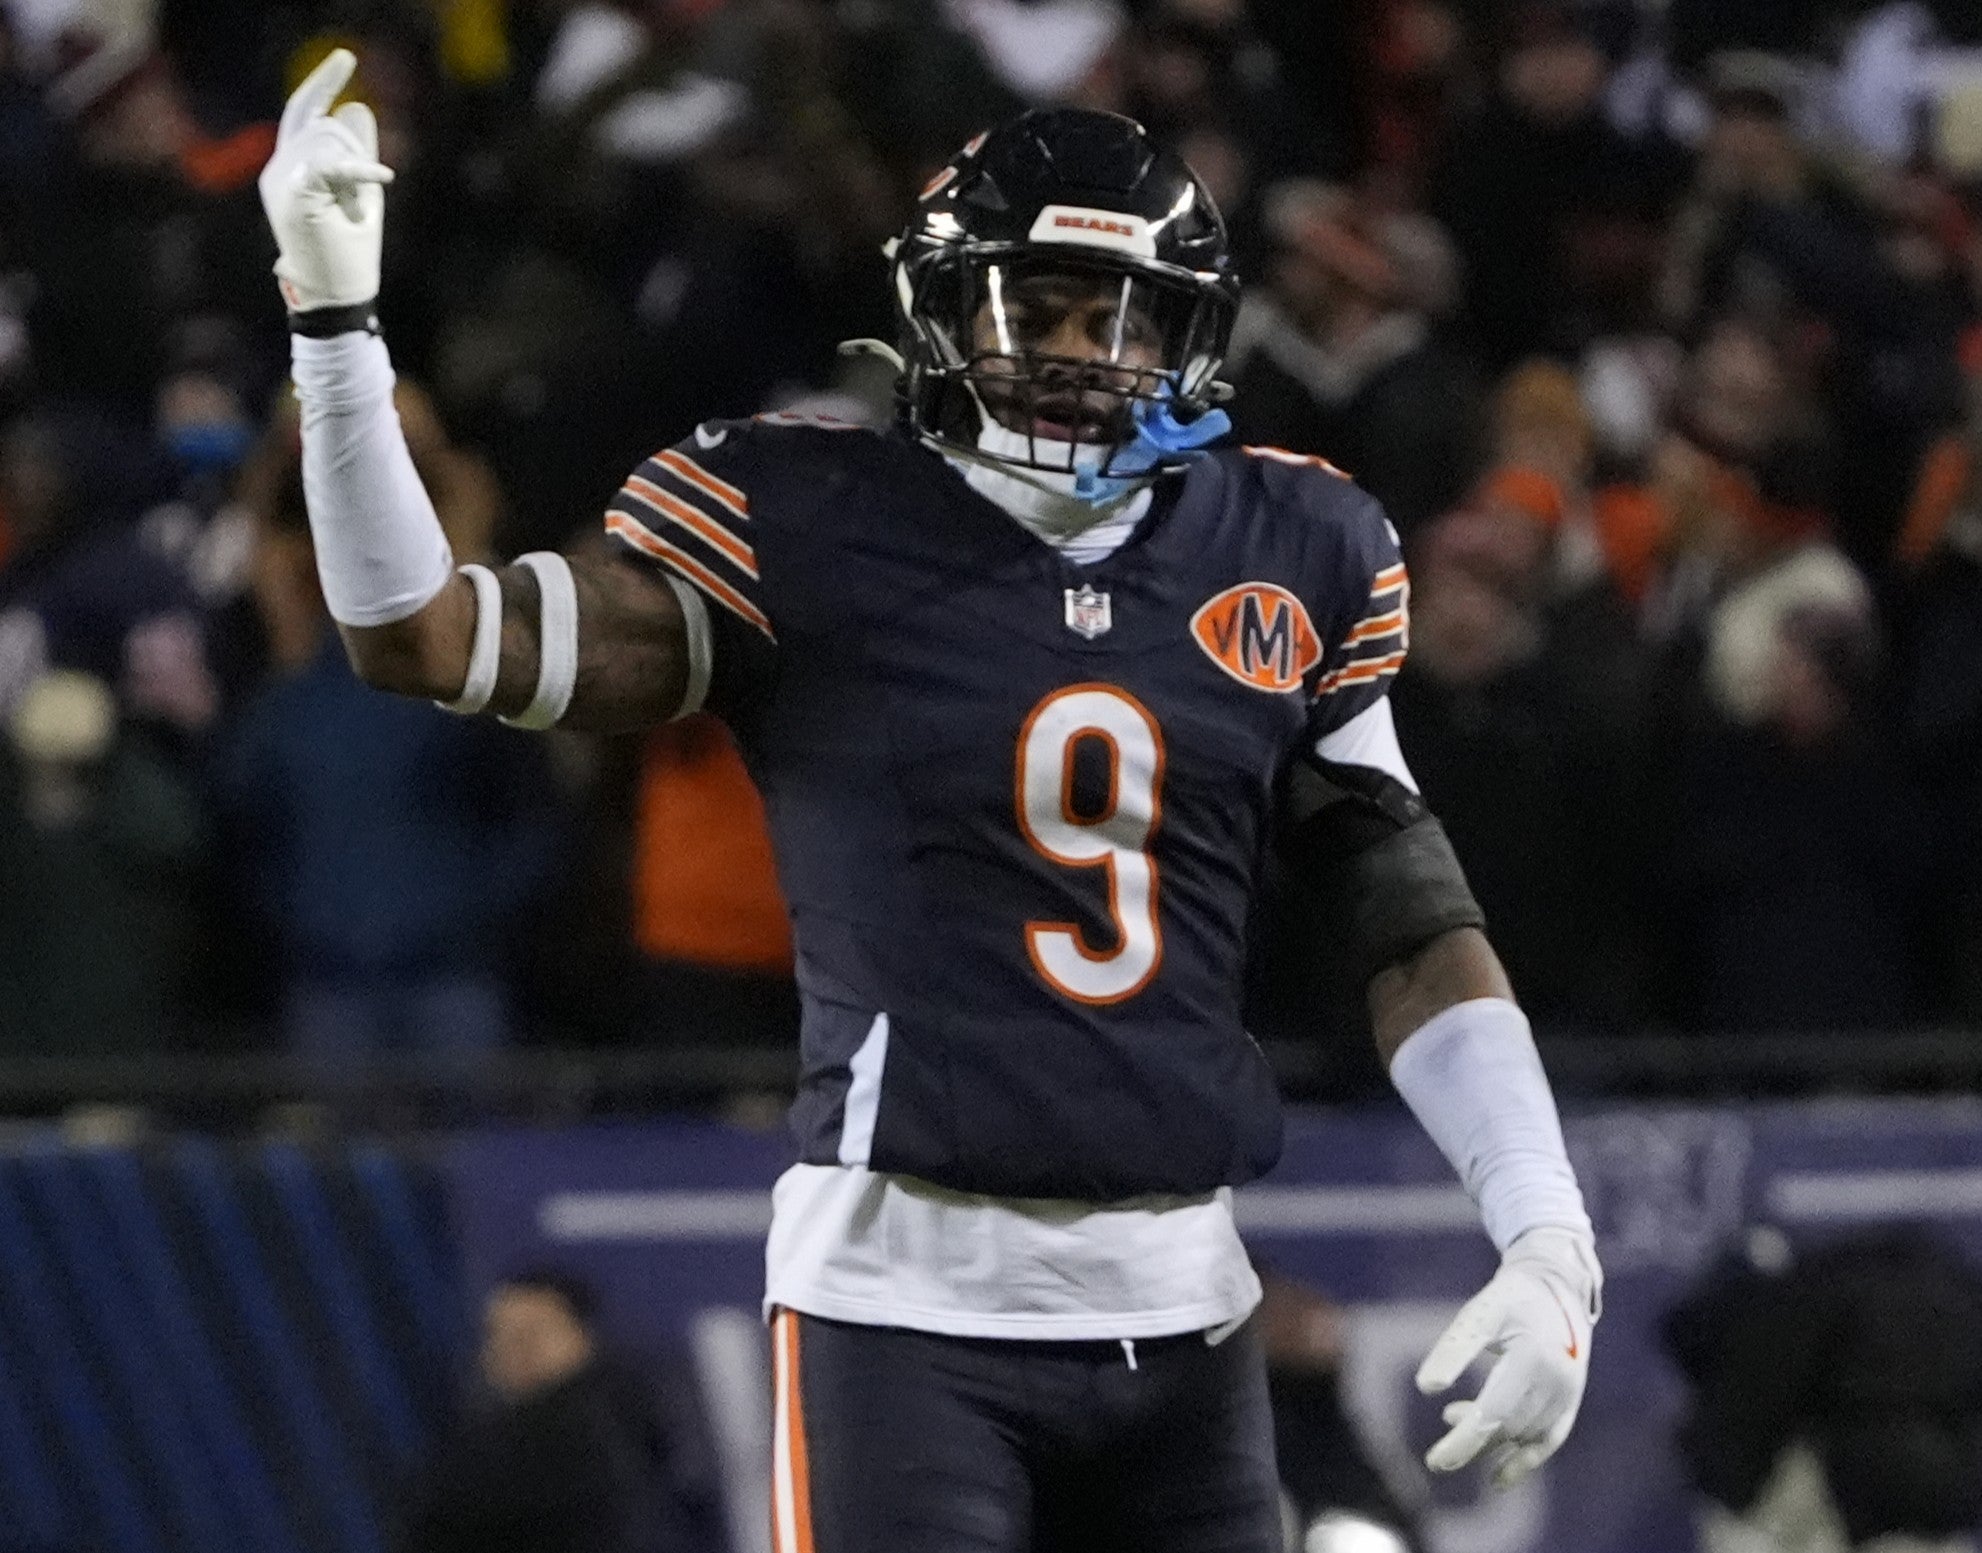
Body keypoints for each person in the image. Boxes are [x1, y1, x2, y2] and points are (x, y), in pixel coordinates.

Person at [262, 51, 1601, 1550]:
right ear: (944, 315)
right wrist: (336, 333)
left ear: (1186, 337)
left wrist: (1545, 1235)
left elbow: (1408, 922)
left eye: (1117, 316)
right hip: (902, 1306)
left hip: (1185, 1305)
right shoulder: (814, 522)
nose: (1078, 353)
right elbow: (422, 634)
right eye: (1037, 308)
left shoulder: (1289, 544)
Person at [393, 1269, 721, 1553]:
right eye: (499, 1334)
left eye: (534, 1332)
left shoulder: (602, 1432)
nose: (516, 1348)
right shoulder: (481, 1441)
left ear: (582, 1336)